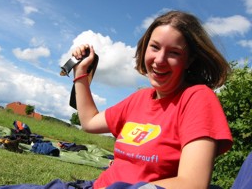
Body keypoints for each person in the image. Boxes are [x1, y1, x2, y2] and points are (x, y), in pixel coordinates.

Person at [71, 10, 233, 189]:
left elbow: (193, 184)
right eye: (154, 47)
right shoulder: (139, 98)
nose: (160, 60)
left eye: (174, 53)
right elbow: (89, 122)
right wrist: (81, 74)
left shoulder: (197, 98)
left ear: (189, 61)